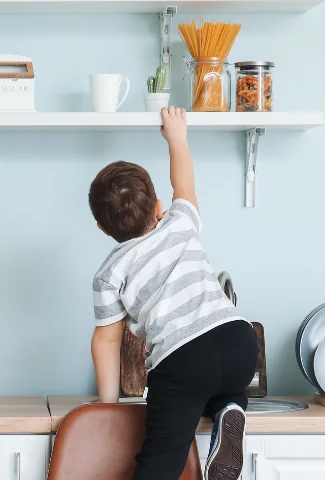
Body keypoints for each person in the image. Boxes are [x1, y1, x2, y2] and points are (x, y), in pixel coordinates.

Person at [88, 107, 259, 480]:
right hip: (238, 341)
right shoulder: (180, 222)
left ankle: (228, 407)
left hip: (182, 360)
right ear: (158, 207)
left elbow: (107, 340)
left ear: (102, 229)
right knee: (225, 386)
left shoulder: (109, 273)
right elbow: (185, 185)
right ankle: (231, 407)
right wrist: (177, 138)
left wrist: (110, 407)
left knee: (161, 459)